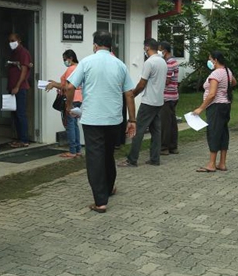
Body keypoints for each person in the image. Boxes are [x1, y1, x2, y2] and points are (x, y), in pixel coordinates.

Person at [65, 30, 136, 213]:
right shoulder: (120, 65)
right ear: (111, 45)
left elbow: (70, 86)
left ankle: (100, 201)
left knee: (95, 157)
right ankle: (109, 187)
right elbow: (129, 93)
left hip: (92, 118)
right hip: (114, 118)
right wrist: (132, 120)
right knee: (108, 154)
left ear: (95, 45)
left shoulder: (87, 62)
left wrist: (69, 106)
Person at [119, 39, 167, 168]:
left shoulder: (149, 62)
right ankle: (155, 158)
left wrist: (133, 94)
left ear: (147, 48)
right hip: (158, 101)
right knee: (156, 130)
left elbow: (142, 83)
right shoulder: (162, 61)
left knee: (138, 129)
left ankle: (132, 159)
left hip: (148, 101)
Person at [192, 51, 236, 173]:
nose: (210, 62)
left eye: (210, 59)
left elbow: (211, 94)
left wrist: (201, 108)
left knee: (214, 132)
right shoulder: (227, 71)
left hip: (215, 107)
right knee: (223, 133)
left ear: (215, 60)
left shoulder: (216, 73)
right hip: (225, 105)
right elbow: (233, 82)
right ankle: (222, 163)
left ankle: (211, 163)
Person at [45, 50, 83, 158]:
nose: (64, 61)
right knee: (74, 124)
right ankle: (77, 150)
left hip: (72, 98)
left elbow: (67, 87)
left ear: (70, 58)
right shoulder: (79, 67)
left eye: (65, 59)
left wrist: (54, 85)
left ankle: (72, 151)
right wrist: (54, 83)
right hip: (79, 98)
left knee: (70, 124)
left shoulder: (71, 69)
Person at [7, 33, 32, 148]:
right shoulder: (13, 53)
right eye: (10, 41)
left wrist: (17, 86)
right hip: (12, 88)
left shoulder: (23, 53)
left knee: (21, 114)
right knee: (15, 114)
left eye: (13, 40)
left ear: (19, 40)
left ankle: (24, 139)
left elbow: (24, 71)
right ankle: (18, 138)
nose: (11, 43)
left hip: (20, 88)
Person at [159, 41, 179, 155]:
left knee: (165, 123)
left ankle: (164, 147)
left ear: (164, 51)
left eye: (160, 50)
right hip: (173, 95)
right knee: (172, 122)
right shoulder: (173, 61)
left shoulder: (169, 63)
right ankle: (173, 146)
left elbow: (167, 80)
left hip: (167, 96)